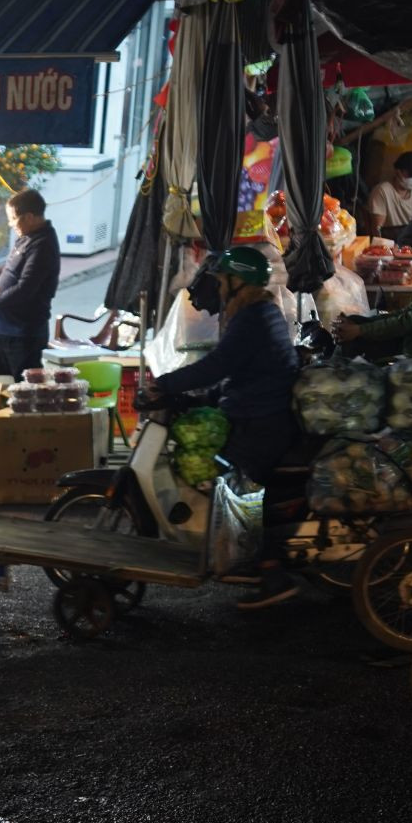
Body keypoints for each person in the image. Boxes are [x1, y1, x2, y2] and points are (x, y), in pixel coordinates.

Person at [149, 246, 303, 609]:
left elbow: (219, 364)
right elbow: (241, 370)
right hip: (264, 412)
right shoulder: (262, 312)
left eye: (222, 281)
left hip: (261, 422)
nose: (218, 288)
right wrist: (212, 395)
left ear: (238, 283)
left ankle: (268, 571)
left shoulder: (252, 318)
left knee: (236, 485)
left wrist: (167, 383)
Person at [0, 189, 61, 377]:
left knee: (21, 390)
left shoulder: (43, 245)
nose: (11, 224)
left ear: (30, 217)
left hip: (24, 335)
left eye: (13, 219)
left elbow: (24, 289)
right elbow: (11, 266)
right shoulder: (27, 237)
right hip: (2, 328)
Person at [367, 152, 412, 237]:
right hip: (391, 243)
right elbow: (378, 231)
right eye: (409, 175)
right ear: (397, 171)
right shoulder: (382, 191)